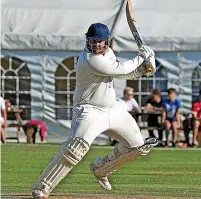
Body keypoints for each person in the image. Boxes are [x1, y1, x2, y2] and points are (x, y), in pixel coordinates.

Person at [31, 23, 157, 199]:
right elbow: (119, 68)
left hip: (112, 109)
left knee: (137, 146)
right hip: (89, 111)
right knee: (75, 149)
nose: (96, 45)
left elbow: (120, 74)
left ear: (107, 42)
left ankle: (102, 168)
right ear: (87, 41)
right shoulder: (90, 60)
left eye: (100, 41)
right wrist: (141, 58)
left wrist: (142, 70)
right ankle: (42, 188)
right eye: (93, 41)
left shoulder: (108, 54)